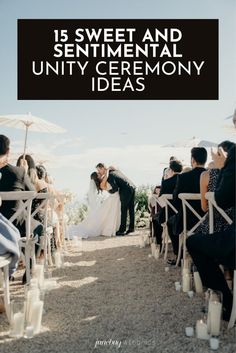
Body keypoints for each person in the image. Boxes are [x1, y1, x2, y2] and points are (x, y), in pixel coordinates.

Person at [186, 144, 235, 321]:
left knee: (194, 241)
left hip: (219, 228)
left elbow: (216, 202)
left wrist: (224, 168)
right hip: (227, 226)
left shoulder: (208, 175)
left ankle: (226, 298)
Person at [167, 147, 207, 265]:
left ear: (193, 160)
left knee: (170, 222)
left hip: (187, 221)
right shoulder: (210, 176)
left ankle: (178, 256)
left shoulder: (183, 177)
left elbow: (175, 201)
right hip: (208, 220)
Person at [75, 171, 121, 238]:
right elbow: (96, 195)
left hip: (100, 203)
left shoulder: (98, 184)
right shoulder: (98, 184)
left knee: (101, 215)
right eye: (98, 174)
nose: (100, 174)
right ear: (96, 177)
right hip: (99, 202)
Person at [96, 163, 135, 236]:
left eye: (99, 170)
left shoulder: (109, 176)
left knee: (124, 209)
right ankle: (131, 228)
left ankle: (122, 230)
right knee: (131, 208)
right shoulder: (114, 171)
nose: (99, 172)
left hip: (125, 190)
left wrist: (110, 191)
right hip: (132, 186)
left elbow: (115, 188)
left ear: (102, 168)